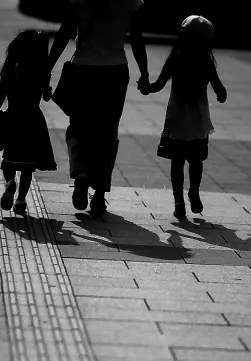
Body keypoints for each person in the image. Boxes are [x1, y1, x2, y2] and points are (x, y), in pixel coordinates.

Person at [47, 0, 149, 217]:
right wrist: (145, 74)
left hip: (83, 69)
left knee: (79, 127)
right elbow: (137, 38)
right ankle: (100, 193)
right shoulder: (132, 2)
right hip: (115, 71)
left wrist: (47, 68)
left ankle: (81, 171)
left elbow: (65, 32)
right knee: (107, 132)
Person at [138, 15, 227, 220]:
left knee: (177, 161)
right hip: (197, 120)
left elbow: (157, 86)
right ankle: (192, 192)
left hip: (177, 119)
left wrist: (145, 87)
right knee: (196, 160)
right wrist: (221, 95)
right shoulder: (206, 61)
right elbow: (219, 87)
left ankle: (179, 200)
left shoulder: (175, 58)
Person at [0, 29, 57, 216]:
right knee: (28, 165)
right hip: (33, 119)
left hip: (13, 117)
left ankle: (9, 183)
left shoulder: (11, 69)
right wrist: (47, 87)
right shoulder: (41, 72)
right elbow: (46, 97)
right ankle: (20, 201)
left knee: (9, 161)